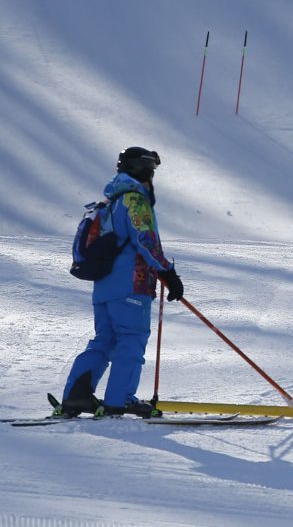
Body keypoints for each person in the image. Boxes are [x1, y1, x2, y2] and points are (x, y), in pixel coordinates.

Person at [54, 147, 185, 418]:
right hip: (131, 286)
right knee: (131, 339)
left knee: (105, 340)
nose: (153, 178)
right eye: (152, 171)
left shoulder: (109, 202)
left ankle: (77, 396)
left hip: (104, 287)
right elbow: (145, 240)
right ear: (144, 170)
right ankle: (120, 399)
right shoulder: (134, 200)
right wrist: (168, 273)